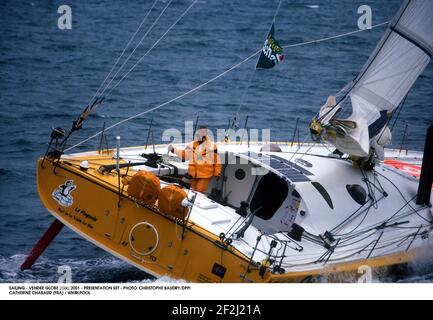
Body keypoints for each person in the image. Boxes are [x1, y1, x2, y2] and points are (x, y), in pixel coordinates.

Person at [168, 126, 221, 193]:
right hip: (193, 175)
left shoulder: (212, 146)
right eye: (199, 132)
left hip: (205, 175)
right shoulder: (192, 144)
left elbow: (217, 161)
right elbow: (185, 154)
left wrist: (217, 173)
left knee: (198, 191)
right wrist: (174, 150)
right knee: (192, 191)